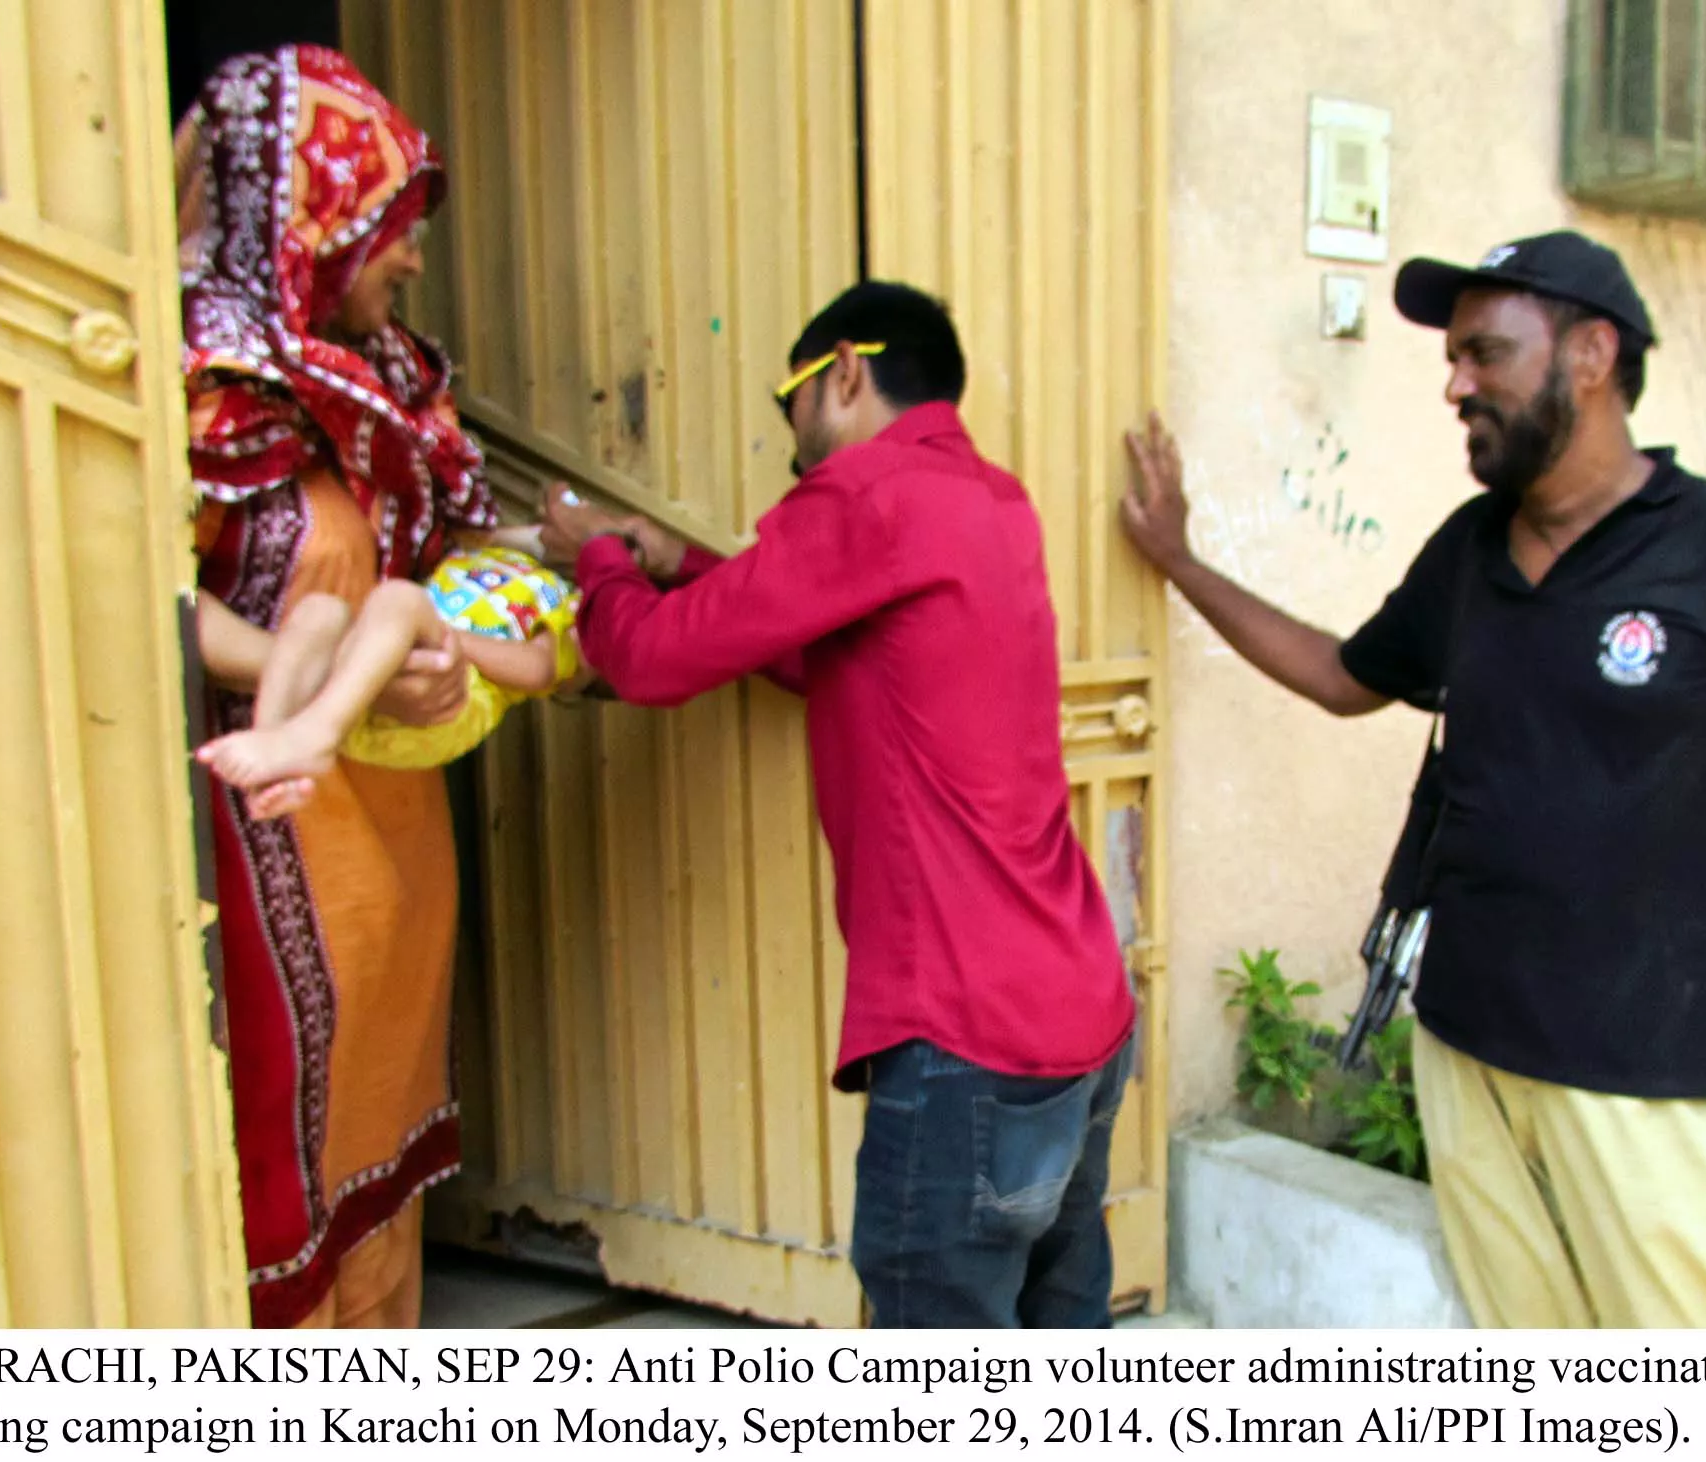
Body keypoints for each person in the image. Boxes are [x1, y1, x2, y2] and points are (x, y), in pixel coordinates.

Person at [1122, 230, 1706, 1328]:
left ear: (1591, 354)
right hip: (1466, 1053)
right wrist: (1180, 562)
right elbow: (1342, 677)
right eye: (1452, 359)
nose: (1455, 385)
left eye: (1484, 353)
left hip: (1647, 1081)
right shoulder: (1471, 551)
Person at [538, 282, 1138, 1328]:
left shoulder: (869, 496)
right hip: (1078, 1010)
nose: (791, 440)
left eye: (792, 402)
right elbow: (827, 648)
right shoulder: (992, 501)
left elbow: (649, 659)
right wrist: (680, 565)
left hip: (966, 1039)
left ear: (846, 371)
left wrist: (592, 555)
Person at [179, 44, 496, 1327]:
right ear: (304, 221)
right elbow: (156, 597)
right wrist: (318, 685)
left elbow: (433, 570)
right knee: (286, 1138)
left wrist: (437, 653)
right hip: (271, 815)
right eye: (386, 227)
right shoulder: (204, 386)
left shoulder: (391, 383)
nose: (411, 259)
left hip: (393, 831)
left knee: (381, 1116)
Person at [195, 535, 582, 820]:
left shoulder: (566, 608)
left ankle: (315, 736)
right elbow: (512, 534)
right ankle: (273, 751)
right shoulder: (504, 554)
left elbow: (538, 669)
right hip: (373, 665)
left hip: (456, 695)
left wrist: (453, 638)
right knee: (320, 613)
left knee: (399, 598)